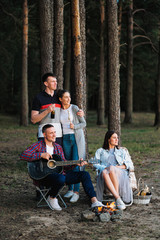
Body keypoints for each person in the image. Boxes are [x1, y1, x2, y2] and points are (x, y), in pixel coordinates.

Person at [20, 124, 104, 211]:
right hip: (43, 177)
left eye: (55, 132)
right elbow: (23, 155)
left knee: (84, 174)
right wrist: (41, 154)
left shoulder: (58, 147)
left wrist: (76, 164)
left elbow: (64, 166)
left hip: (60, 176)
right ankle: (52, 197)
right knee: (61, 178)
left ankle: (94, 201)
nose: (54, 135)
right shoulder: (38, 145)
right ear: (44, 134)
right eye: (51, 133)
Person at [31, 72, 84, 146]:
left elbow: (69, 108)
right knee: (46, 157)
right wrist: (47, 111)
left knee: (58, 157)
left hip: (58, 134)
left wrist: (80, 112)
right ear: (46, 83)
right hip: (44, 135)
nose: (55, 83)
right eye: (52, 81)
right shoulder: (38, 98)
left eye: (56, 81)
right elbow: (33, 119)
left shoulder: (59, 97)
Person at [93, 130, 134, 210]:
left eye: (117, 138)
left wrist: (115, 168)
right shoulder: (100, 151)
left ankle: (117, 199)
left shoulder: (122, 151)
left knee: (111, 168)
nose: (117, 140)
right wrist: (105, 168)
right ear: (108, 139)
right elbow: (95, 164)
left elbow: (130, 164)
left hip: (120, 174)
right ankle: (118, 199)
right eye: (114, 138)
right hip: (105, 175)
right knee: (105, 171)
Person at [58, 90, 86, 203]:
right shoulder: (58, 110)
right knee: (68, 164)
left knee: (76, 163)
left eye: (69, 97)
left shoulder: (74, 108)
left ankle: (76, 192)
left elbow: (84, 123)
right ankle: (70, 189)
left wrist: (74, 126)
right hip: (65, 138)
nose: (68, 99)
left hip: (76, 138)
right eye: (65, 97)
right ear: (60, 99)